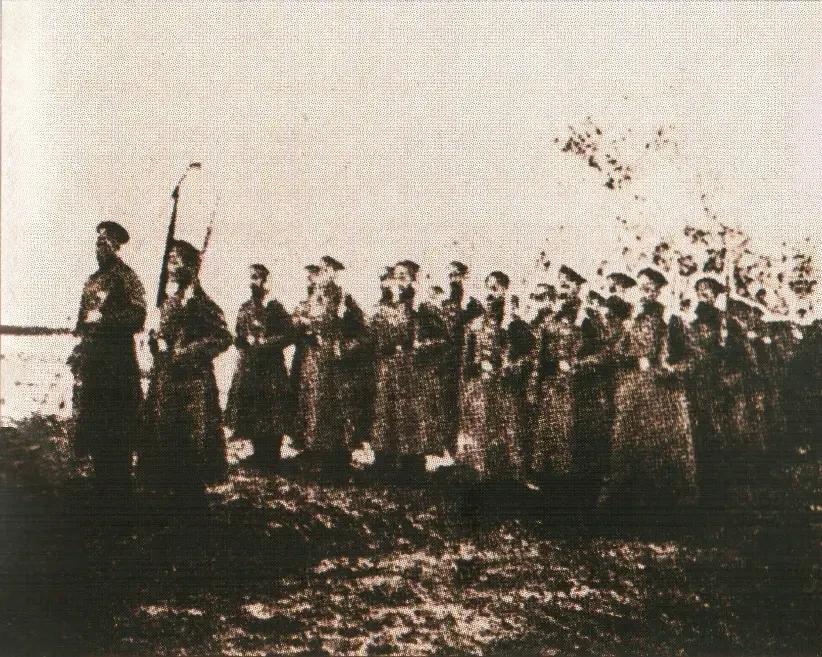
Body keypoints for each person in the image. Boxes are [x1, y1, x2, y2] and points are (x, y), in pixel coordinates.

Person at [601, 267, 698, 511]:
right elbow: (617, 351)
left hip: (663, 393)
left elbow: (692, 357)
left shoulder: (671, 320)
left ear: (658, 290)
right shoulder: (632, 319)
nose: (645, 293)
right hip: (634, 387)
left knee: (660, 445)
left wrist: (671, 370)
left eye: (650, 289)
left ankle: (665, 503)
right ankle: (627, 501)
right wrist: (627, 349)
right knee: (629, 442)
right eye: (642, 288)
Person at [141, 240, 233, 493]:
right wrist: (155, 341)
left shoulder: (202, 303)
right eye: (169, 261)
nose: (170, 267)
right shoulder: (170, 302)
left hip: (193, 383)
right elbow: (162, 337)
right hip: (166, 380)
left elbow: (223, 337)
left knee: (192, 441)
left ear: (191, 267)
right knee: (162, 435)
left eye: (175, 261)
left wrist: (187, 352)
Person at [69, 221, 146, 495]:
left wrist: (106, 319)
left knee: (118, 423)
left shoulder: (127, 277)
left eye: (106, 243)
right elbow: (82, 320)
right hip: (94, 363)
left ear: (117, 246)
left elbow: (138, 315)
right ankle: (102, 481)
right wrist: (80, 347)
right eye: (98, 243)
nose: (100, 248)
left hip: (117, 363)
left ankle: (120, 487)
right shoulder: (92, 281)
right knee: (95, 421)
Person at [225, 264, 295, 467]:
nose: (253, 282)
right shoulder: (245, 308)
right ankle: (258, 454)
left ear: (265, 281)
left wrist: (267, 342)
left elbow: (290, 334)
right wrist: (243, 342)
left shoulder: (276, 308)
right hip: (251, 367)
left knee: (272, 411)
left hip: (271, 368)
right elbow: (237, 335)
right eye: (251, 278)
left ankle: (272, 456)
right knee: (254, 410)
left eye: (257, 278)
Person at [458, 271, 524, 482]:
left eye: (495, 289)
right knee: (478, 425)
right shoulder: (475, 325)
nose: (490, 294)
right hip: (479, 386)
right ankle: (476, 471)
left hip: (503, 386)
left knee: (504, 428)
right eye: (488, 288)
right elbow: (466, 360)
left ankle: (503, 474)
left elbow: (524, 354)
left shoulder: (513, 324)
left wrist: (508, 367)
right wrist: (477, 367)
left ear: (504, 291)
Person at [292, 262, 348, 478]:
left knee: (327, 406)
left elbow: (334, 321)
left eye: (327, 271)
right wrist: (303, 322)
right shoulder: (314, 294)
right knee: (310, 404)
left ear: (334, 273)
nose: (322, 275)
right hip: (311, 357)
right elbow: (298, 316)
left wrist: (308, 323)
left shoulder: (340, 295)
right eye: (322, 270)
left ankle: (333, 459)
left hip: (329, 357)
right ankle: (312, 451)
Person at [369, 263, 424, 480]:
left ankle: (411, 464)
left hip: (411, 369)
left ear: (413, 280)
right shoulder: (384, 308)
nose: (399, 281)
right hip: (387, 367)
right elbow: (374, 334)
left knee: (408, 414)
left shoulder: (419, 307)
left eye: (404, 276)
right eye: (396, 276)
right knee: (385, 412)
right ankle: (384, 461)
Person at [529, 285, 581, 500]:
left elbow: (579, 355)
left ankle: (561, 477)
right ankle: (541, 475)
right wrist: (533, 387)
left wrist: (572, 365)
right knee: (545, 428)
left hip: (568, 386)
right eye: (562, 298)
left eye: (569, 300)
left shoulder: (577, 331)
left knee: (564, 429)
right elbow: (537, 359)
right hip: (549, 384)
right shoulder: (547, 327)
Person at [441, 261, 484, 454]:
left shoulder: (475, 305)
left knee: (467, 405)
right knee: (448, 404)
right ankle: (449, 449)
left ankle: (465, 450)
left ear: (465, 277)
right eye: (450, 275)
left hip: (467, 362)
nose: (453, 279)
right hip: (448, 362)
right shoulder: (445, 305)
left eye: (457, 275)